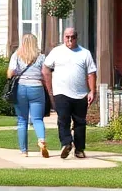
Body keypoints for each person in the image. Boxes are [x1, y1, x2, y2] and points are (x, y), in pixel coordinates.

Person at [42, 27, 97, 159]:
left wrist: (92, 91)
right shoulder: (57, 52)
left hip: (81, 94)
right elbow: (45, 69)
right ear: (63, 37)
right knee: (63, 119)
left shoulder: (85, 53)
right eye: (67, 37)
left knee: (80, 122)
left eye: (72, 37)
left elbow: (91, 73)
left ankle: (79, 149)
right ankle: (66, 143)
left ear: (76, 37)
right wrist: (50, 89)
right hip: (61, 92)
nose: (70, 39)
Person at [8, 33, 48, 157]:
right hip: (36, 86)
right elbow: (45, 73)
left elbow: (10, 73)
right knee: (37, 119)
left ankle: (24, 150)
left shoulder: (17, 55)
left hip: (21, 87)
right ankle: (41, 140)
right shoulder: (41, 57)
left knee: (22, 120)